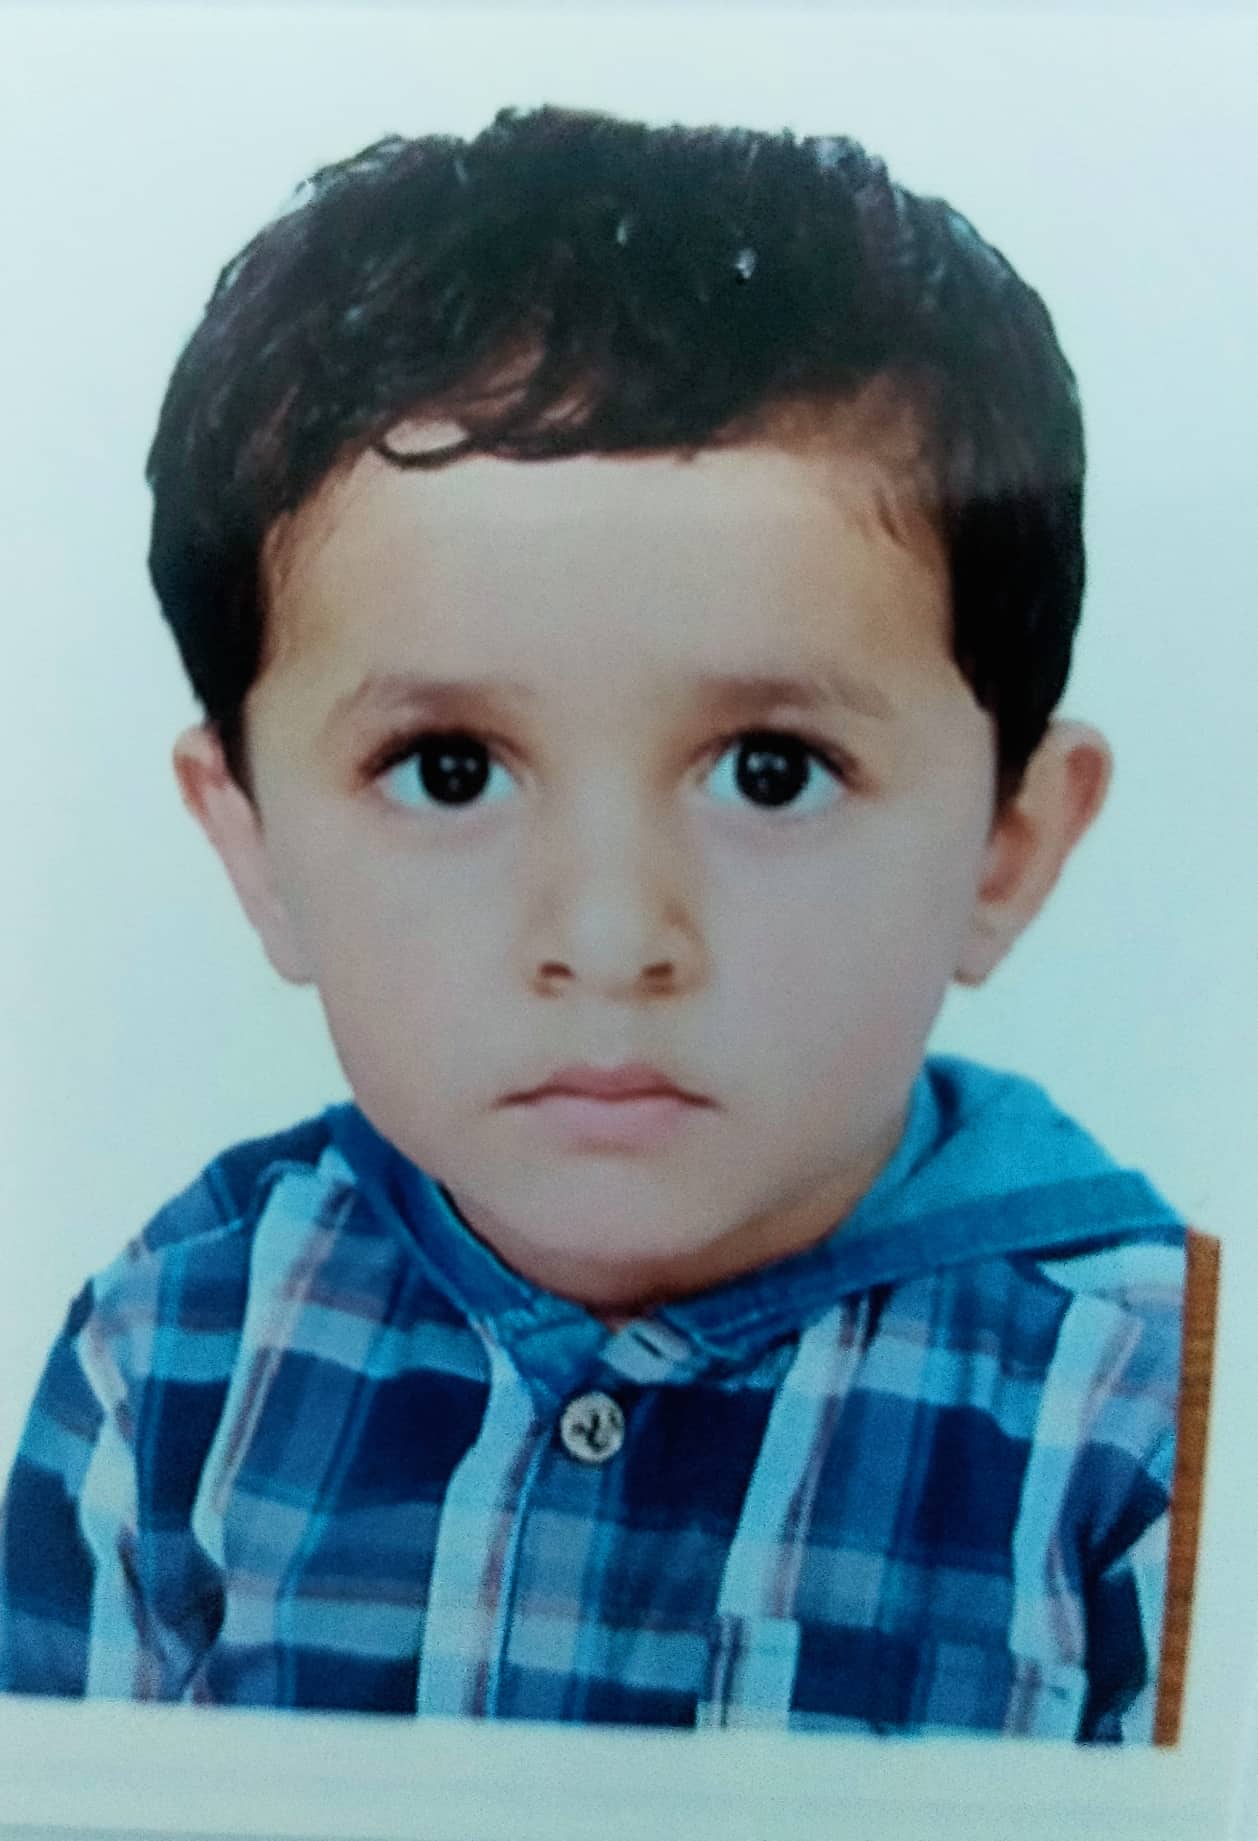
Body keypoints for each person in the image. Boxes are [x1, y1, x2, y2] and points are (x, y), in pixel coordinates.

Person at [0, 104, 1185, 1740]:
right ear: (253, 843)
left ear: (1007, 846)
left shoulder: (1155, 1418)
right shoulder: (175, 1349)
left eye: (770, 771)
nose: (613, 936)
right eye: (449, 768)